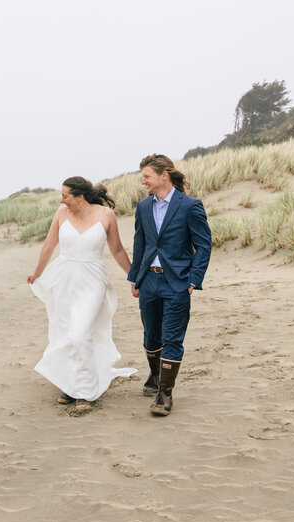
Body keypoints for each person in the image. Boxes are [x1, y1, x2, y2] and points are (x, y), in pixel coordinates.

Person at [27, 176, 137, 412]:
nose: (62, 199)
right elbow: (49, 245)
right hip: (63, 280)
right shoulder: (61, 213)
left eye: (65, 195)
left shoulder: (105, 215)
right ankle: (70, 384)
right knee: (66, 334)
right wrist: (37, 273)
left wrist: (133, 275)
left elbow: (117, 249)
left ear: (80, 196)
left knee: (80, 333)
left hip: (93, 280)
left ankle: (85, 393)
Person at [128, 154, 211, 416]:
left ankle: (165, 394)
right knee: (151, 336)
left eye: (147, 176)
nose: (143, 182)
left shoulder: (190, 205)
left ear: (164, 175)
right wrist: (135, 277)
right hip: (148, 281)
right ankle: (155, 376)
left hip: (177, 283)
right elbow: (140, 243)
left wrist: (194, 280)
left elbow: (204, 245)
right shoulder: (143, 207)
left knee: (172, 338)